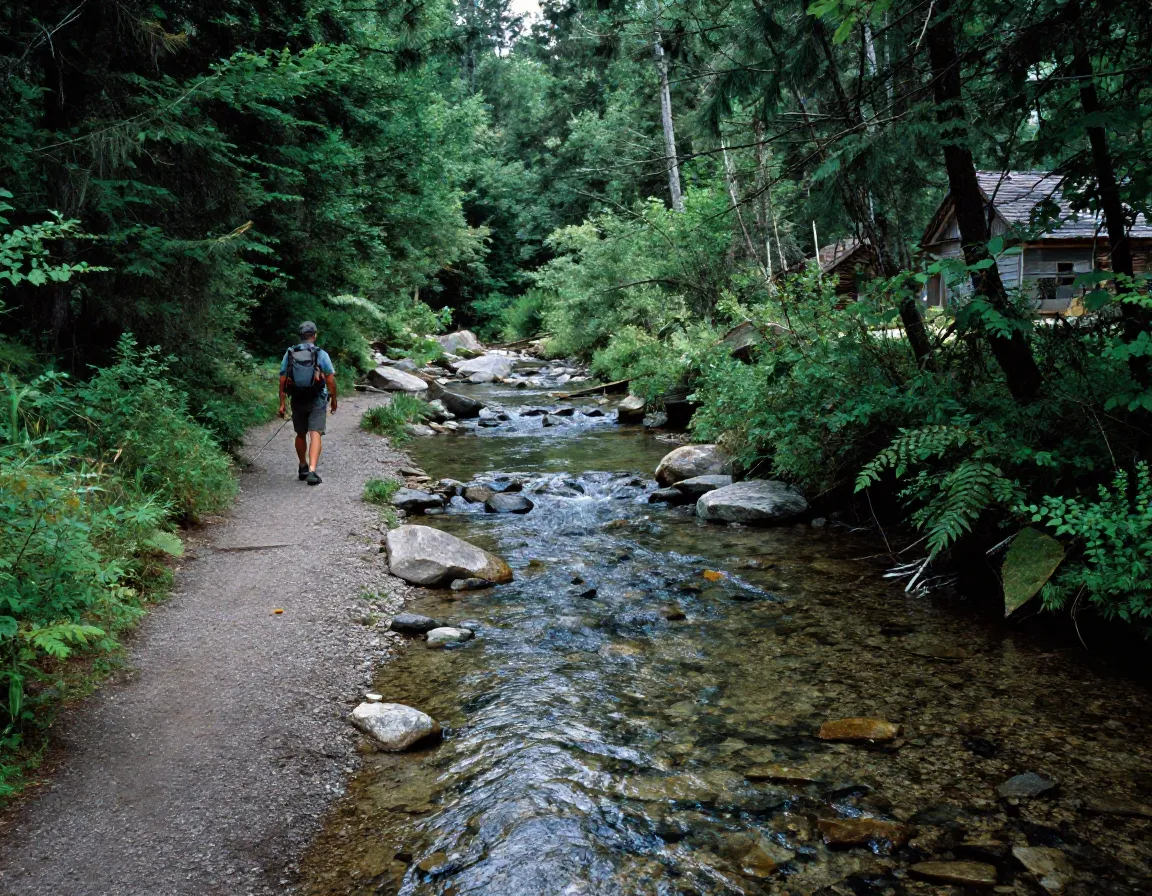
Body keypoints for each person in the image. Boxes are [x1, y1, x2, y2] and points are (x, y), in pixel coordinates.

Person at [278, 321, 337, 485]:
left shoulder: (290, 353)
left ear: (300, 336)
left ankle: (302, 466)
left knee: (300, 433)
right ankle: (312, 470)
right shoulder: (320, 353)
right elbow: (331, 380)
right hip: (317, 398)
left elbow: (282, 380)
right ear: (314, 335)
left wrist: (282, 404)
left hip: (297, 398)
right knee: (315, 432)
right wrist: (334, 400)